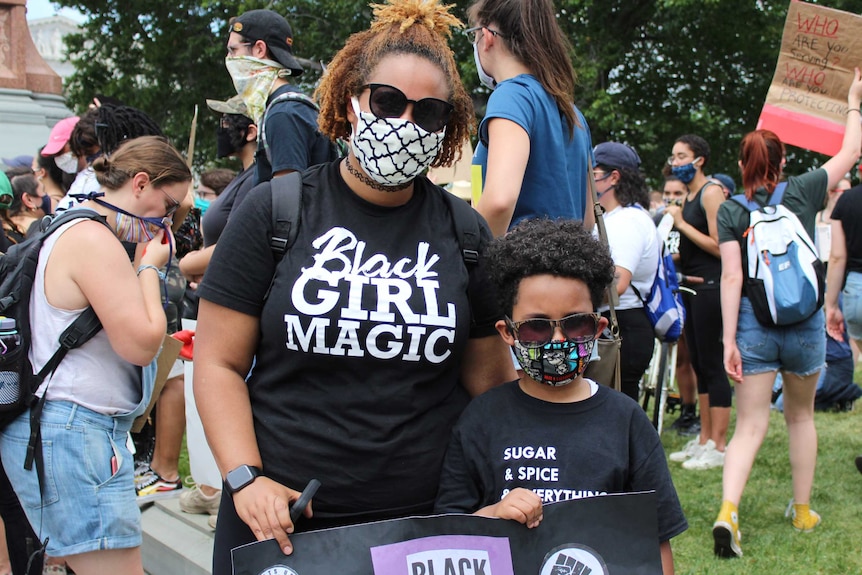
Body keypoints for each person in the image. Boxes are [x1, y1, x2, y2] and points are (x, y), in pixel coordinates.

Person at [195, 1, 514, 571]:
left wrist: (492, 490)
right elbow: (217, 364)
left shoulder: (465, 233)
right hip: (280, 519)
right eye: (388, 101)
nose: (405, 123)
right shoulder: (276, 212)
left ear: (447, 126)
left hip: (419, 525)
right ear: (351, 101)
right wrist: (245, 479)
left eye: (429, 112)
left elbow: (490, 387)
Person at [434, 218, 687, 575]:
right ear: (508, 333)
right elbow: (447, 533)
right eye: (537, 327)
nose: (557, 341)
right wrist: (494, 514)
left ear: (598, 328)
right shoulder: (482, 418)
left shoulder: (626, 421)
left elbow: (655, 539)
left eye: (575, 324)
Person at [0, 136, 190, 574]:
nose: (167, 223)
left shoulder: (68, 224)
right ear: (140, 184)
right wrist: (149, 268)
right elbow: (141, 344)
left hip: (63, 431)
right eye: (169, 207)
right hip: (75, 433)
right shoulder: (93, 239)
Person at [713, 69, 862, 559]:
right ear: (783, 161)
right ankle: (801, 510)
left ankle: (727, 512)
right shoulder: (803, 191)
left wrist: (729, 340)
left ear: (741, 163)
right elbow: (851, 151)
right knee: (800, 417)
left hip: (755, 325)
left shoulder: (731, 210)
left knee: (749, 425)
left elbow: (732, 278)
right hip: (805, 327)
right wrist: (854, 101)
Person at [468, 0, 594, 237]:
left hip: (519, 269)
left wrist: (471, 257)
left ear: (487, 36)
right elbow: (587, 219)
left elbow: (499, 200)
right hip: (573, 268)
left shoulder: (511, 96)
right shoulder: (573, 113)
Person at [665, 134, 730, 471]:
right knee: (700, 364)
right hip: (690, 286)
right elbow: (691, 247)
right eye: (674, 157)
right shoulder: (689, 195)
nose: (675, 162)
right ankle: (704, 438)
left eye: (681, 156)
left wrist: (680, 224)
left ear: (699, 159)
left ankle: (719, 444)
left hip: (711, 286)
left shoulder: (711, 192)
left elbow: (720, 245)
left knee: (712, 365)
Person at [225, 9, 336, 184]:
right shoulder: (281, 107)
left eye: (233, 50)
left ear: (259, 49)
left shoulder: (284, 113)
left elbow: (286, 199)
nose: (229, 58)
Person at [591, 142, 657, 401]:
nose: (589, 181)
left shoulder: (627, 220)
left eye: (594, 175)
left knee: (616, 411)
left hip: (623, 327)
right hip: (622, 325)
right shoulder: (618, 217)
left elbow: (616, 283)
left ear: (614, 177)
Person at [661, 175, 700, 436]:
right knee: (674, 355)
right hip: (664, 290)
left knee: (688, 354)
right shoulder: (658, 220)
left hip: (688, 288)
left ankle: (690, 408)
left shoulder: (689, 223)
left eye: (678, 193)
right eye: (667, 192)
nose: (671, 198)